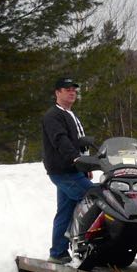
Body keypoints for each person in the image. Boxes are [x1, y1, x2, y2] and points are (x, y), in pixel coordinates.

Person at [42, 77, 92, 262]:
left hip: (74, 170)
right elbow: (60, 140)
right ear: (57, 92)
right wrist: (76, 158)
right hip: (63, 170)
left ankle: (58, 253)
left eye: (74, 89)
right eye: (67, 89)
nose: (72, 92)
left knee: (65, 210)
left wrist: (86, 163)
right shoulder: (53, 115)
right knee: (95, 198)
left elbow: (77, 140)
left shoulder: (69, 114)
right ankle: (91, 246)